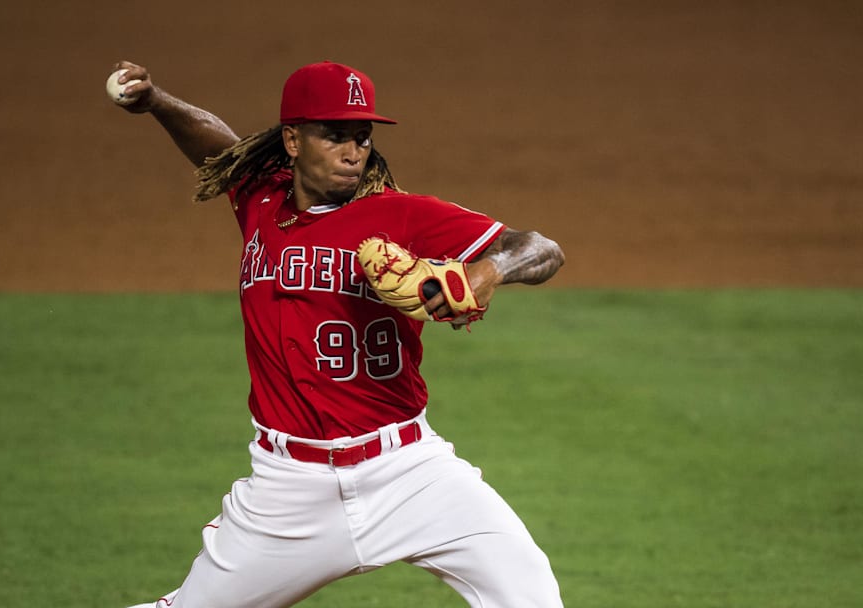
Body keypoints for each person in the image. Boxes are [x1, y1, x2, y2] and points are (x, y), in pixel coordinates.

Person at [109, 59, 566, 608]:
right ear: (293, 140)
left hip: (410, 472)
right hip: (288, 489)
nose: (354, 151)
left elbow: (540, 247)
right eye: (335, 135)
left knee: (531, 594)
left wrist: (485, 271)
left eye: (361, 137)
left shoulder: (402, 215)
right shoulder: (260, 201)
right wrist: (157, 101)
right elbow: (220, 150)